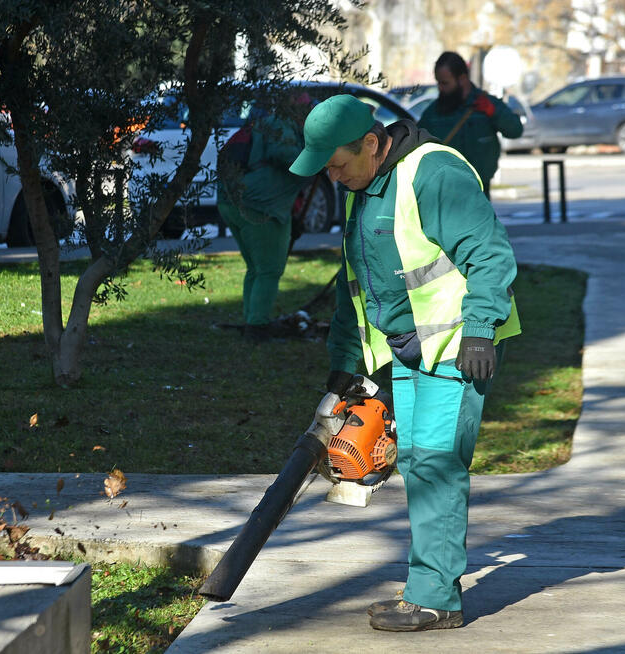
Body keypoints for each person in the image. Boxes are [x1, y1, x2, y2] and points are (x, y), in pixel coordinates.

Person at [289, 94, 521, 631]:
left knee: (437, 463)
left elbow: (489, 251)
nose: (333, 176)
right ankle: (426, 587)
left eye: (338, 164)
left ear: (371, 143)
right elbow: (358, 289)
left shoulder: (432, 172)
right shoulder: (363, 186)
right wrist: (345, 365)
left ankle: (436, 599)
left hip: (462, 344)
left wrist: (482, 330)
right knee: (416, 461)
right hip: (409, 348)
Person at [216, 94, 314, 343]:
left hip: (232, 201)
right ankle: (257, 329)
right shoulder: (282, 126)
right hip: (260, 206)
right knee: (269, 270)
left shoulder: (265, 123)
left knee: (256, 269)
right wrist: (319, 159)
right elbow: (283, 153)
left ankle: (252, 321)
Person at [417, 51, 523, 198]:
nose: (440, 88)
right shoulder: (433, 113)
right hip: (443, 192)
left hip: (479, 190)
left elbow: (515, 130)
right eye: (438, 83)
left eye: (445, 83)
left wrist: (493, 112)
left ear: (462, 79)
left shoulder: (486, 104)